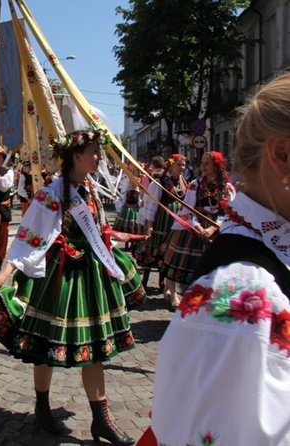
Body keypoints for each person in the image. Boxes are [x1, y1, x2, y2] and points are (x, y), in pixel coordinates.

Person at [138, 70, 290, 446]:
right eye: (199, 164)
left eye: (208, 164)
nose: (201, 168)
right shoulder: (245, 296)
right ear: (282, 154)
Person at [0, 128, 144, 445]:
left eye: (98, 151)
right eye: (93, 151)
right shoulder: (51, 194)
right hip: (58, 277)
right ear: (76, 157)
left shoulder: (89, 189)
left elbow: (98, 229)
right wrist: (4, 274)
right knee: (45, 344)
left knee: (95, 348)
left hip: (91, 276)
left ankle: (101, 420)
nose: (98, 157)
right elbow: (29, 236)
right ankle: (42, 405)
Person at [159, 151, 235, 307]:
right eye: (202, 163)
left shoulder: (226, 187)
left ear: (216, 166)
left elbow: (230, 211)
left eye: (207, 163)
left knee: (215, 265)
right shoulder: (195, 184)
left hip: (218, 228)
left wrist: (214, 228)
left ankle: (211, 298)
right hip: (195, 226)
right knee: (177, 262)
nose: (203, 166)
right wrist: (198, 227)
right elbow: (187, 209)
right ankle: (174, 294)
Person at [135, 154, 187, 289]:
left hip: (176, 221)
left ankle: (162, 280)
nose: (182, 168)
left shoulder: (183, 182)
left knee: (168, 251)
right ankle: (145, 280)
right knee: (154, 249)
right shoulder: (160, 182)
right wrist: (149, 224)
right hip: (162, 220)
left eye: (183, 165)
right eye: (179, 165)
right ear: (170, 166)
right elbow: (151, 204)